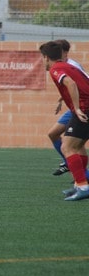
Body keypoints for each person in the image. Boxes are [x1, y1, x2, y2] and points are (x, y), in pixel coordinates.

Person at [40, 41, 89, 201]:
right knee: (77, 146)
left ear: (46, 57)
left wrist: (77, 108)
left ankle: (82, 187)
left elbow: (70, 83)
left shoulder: (56, 68)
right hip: (85, 108)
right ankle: (80, 184)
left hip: (84, 109)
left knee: (67, 147)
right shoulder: (69, 66)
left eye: (42, 58)